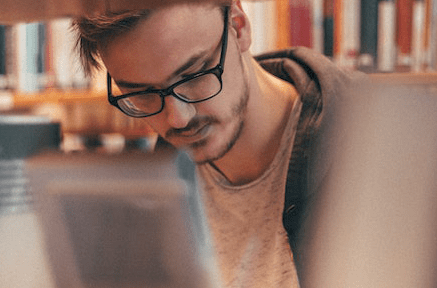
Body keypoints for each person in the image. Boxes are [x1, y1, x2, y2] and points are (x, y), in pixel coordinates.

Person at [73, 0, 365, 286]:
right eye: (143, 94)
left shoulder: (372, 145)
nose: (178, 118)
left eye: (194, 74)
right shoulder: (159, 188)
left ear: (238, 27)